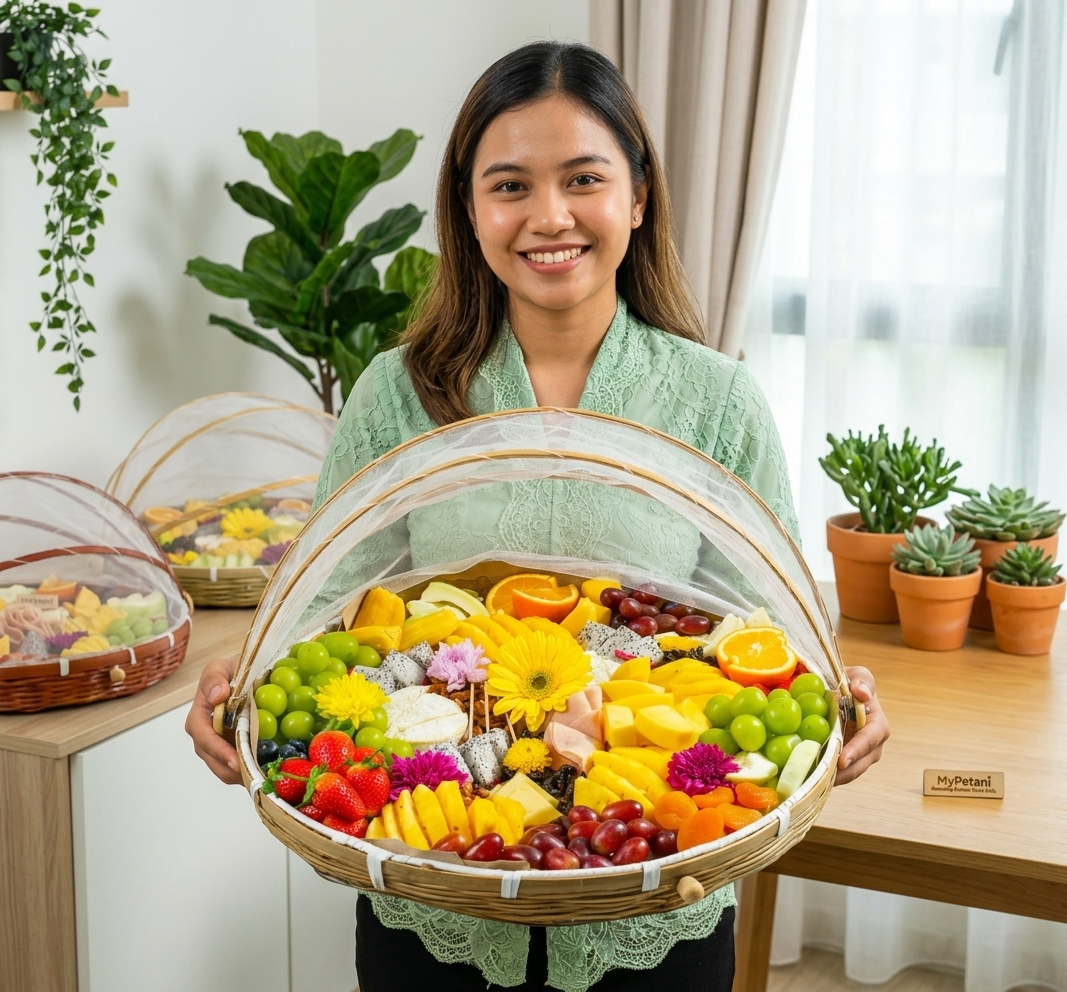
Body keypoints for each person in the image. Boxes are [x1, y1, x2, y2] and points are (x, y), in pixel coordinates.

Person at [186, 40, 890, 992]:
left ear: (637, 198)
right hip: (434, 894)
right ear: (468, 211)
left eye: (584, 179)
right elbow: (327, 608)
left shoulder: (717, 402)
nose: (548, 216)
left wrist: (840, 704)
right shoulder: (396, 395)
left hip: (657, 896)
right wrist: (245, 684)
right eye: (509, 184)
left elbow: (773, 630)